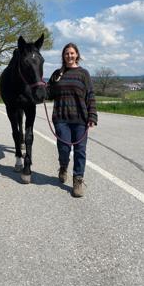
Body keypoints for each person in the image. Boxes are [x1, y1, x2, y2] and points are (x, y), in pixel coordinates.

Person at [47, 43, 97, 197]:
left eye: (72, 53)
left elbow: (90, 95)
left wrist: (92, 116)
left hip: (80, 119)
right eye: (66, 53)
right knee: (64, 149)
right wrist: (41, 89)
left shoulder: (83, 74)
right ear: (63, 56)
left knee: (80, 151)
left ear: (77, 55)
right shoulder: (57, 74)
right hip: (61, 118)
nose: (69, 56)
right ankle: (63, 167)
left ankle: (78, 180)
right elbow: (49, 94)